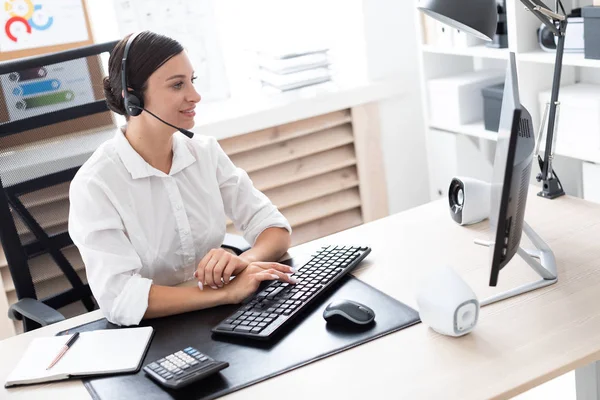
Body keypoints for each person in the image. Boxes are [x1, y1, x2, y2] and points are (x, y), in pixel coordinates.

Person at [68, 31, 296, 326]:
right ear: (132, 98)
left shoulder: (204, 152)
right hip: (156, 330)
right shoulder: (95, 185)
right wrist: (224, 294)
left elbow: (274, 228)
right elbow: (120, 298)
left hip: (218, 317)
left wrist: (245, 262)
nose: (195, 96)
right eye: (177, 85)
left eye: (192, 81)